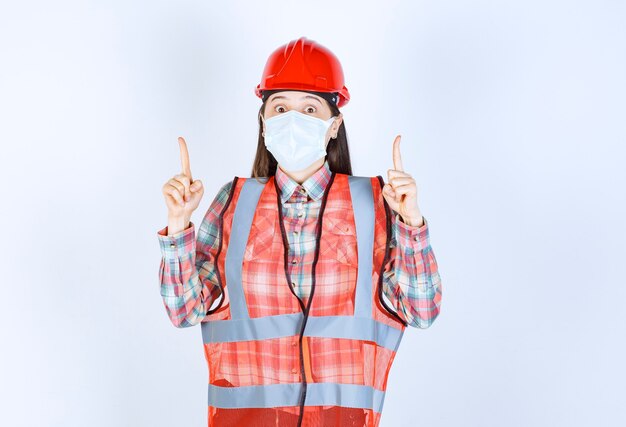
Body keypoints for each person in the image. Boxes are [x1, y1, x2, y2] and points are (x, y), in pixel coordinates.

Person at [157, 36, 442, 427]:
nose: (293, 120)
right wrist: (178, 227)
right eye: (280, 108)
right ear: (263, 122)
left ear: (333, 125)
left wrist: (411, 223)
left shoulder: (375, 203)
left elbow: (421, 311)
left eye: (309, 109)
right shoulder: (234, 203)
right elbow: (184, 311)